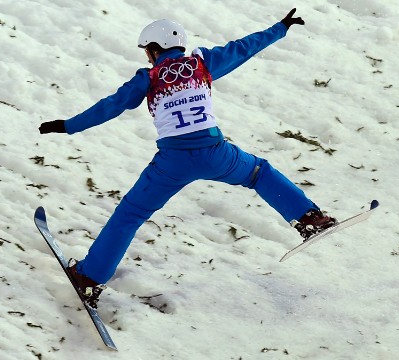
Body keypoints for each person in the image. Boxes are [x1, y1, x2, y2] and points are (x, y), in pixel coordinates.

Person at [38, 8, 337, 308]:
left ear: (155, 50)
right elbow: (244, 47)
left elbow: (111, 106)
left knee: (130, 215)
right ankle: (310, 218)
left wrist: (68, 126)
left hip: (172, 163)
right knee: (259, 173)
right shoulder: (202, 64)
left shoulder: (149, 78)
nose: (147, 57)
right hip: (216, 153)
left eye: (147, 52)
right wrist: (280, 27)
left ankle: (89, 278)